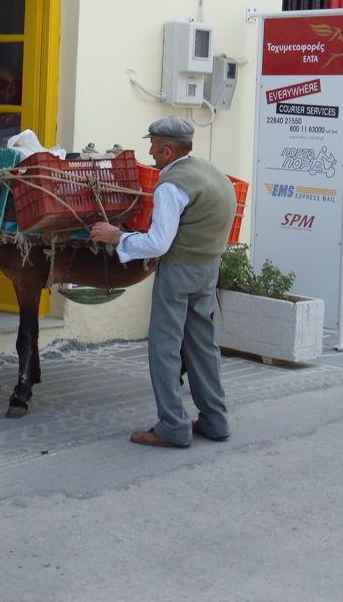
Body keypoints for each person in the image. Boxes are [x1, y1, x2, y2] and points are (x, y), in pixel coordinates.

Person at [90, 116, 236, 448]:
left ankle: (172, 426)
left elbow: (159, 243)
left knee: (164, 347)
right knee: (202, 345)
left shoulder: (172, 185)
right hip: (207, 268)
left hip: (179, 272)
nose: (151, 151)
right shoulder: (212, 173)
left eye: (154, 145)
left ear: (168, 150)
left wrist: (118, 236)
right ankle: (215, 420)